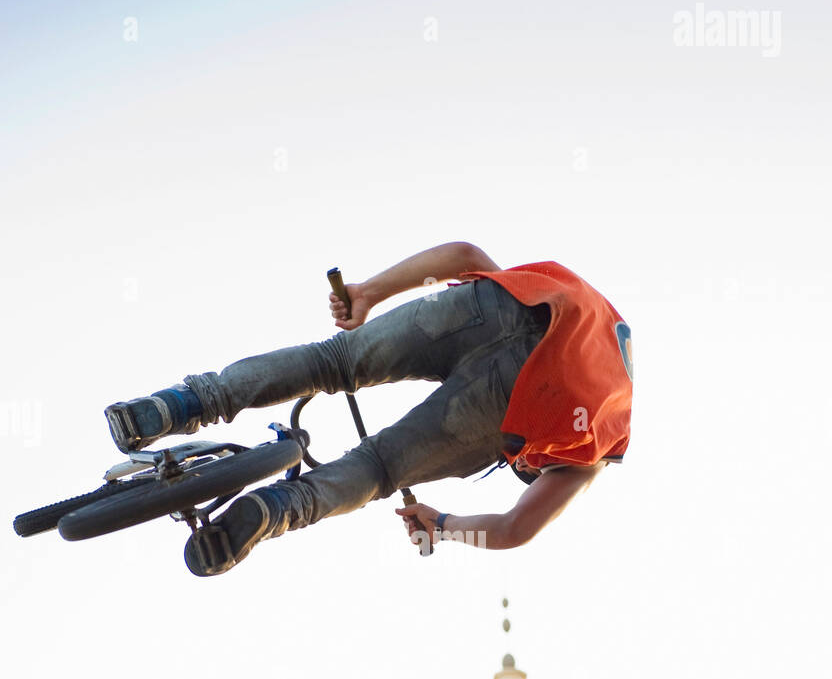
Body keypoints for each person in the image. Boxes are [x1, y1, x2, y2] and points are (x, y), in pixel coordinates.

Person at [104, 242, 633, 576]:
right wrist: (442, 525)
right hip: (545, 397)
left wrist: (368, 293)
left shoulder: (553, 300)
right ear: (532, 461)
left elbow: (464, 255)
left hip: (512, 301)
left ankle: (174, 406)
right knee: (379, 468)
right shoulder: (588, 451)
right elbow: (516, 529)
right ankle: (270, 513)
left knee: (332, 361)